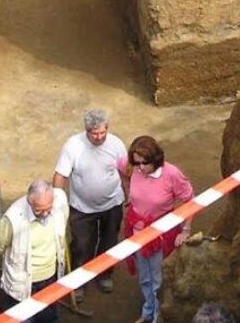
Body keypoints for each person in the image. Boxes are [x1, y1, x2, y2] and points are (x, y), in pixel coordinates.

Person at [118, 135, 195, 323]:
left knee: (158, 278)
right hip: (137, 231)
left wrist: (186, 229)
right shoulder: (132, 166)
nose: (140, 168)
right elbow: (120, 167)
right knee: (145, 276)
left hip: (160, 234)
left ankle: (158, 317)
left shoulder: (172, 174)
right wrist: (128, 191)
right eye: (137, 164)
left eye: (144, 164)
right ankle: (149, 310)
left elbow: (190, 200)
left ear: (155, 159)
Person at [53, 109, 127, 295]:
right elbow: (61, 175)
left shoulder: (116, 144)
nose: (99, 137)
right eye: (94, 133)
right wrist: (57, 201)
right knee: (81, 245)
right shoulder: (73, 146)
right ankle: (78, 281)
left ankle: (104, 274)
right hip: (82, 208)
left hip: (112, 204)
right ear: (86, 130)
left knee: (109, 241)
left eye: (103, 132)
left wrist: (130, 195)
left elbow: (124, 173)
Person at [0, 180, 70, 323]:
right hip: (21, 284)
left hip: (49, 279)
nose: (45, 214)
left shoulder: (60, 201)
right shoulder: (12, 219)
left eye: (48, 209)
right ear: (29, 201)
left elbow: (63, 217)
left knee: (49, 318)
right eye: (39, 210)